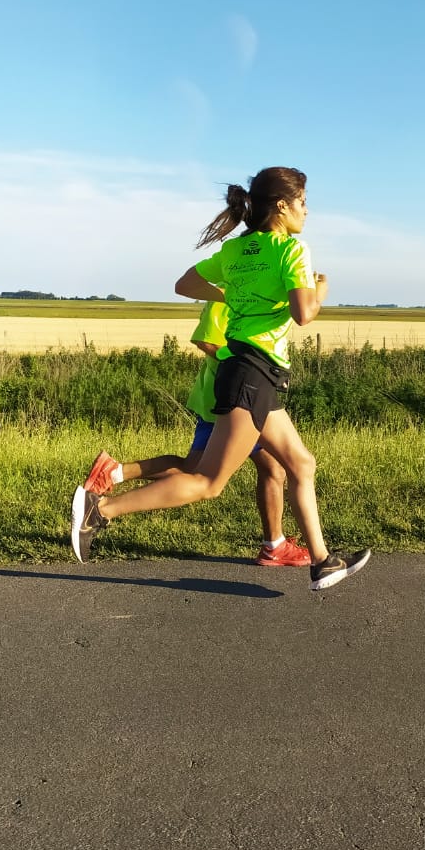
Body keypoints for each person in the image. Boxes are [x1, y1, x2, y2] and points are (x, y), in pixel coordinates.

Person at [71, 166, 370, 591]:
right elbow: (304, 315)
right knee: (207, 482)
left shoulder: (235, 252)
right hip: (255, 373)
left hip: (247, 371)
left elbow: (185, 283)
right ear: (282, 206)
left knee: (302, 464)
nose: (307, 210)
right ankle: (101, 510)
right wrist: (320, 292)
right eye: (303, 201)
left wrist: (228, 293)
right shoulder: (292, 251)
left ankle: (321, 561)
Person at [81, 300, 310, 567]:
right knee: (212, 477)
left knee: (241, 469)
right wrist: (250, 366)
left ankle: (114, 472)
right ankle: (105, 502)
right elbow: (207, 341)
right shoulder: (227, 296)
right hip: (234, 400)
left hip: (238, 396)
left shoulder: (245, 291)